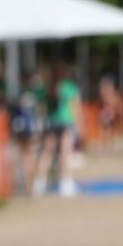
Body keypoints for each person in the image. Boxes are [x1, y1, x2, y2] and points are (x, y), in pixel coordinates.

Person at [31, 63, 81, 198]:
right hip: (66, 122)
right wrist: (78, 124)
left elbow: (41, 106)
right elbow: (75, 107)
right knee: (65, 153)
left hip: (51, 123)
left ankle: (39, 184)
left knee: (46, 153)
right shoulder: (69, 87)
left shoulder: (46, 87)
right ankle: (65, 184)